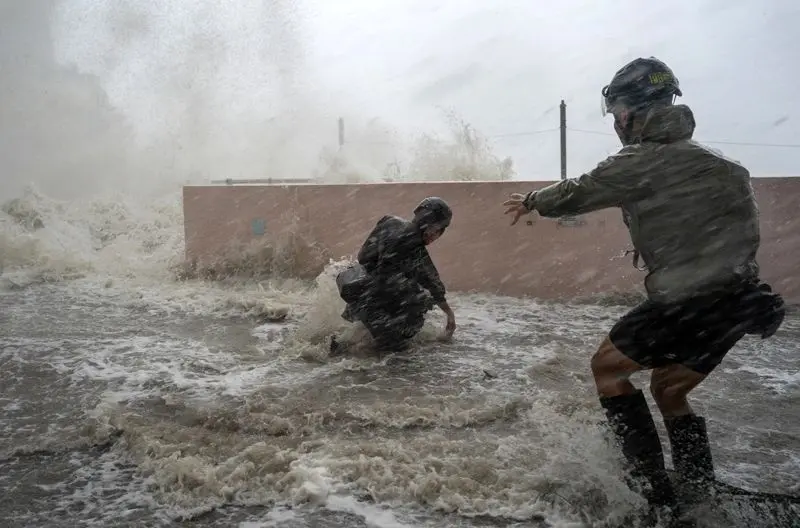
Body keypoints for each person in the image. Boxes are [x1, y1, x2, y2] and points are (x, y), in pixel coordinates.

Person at [503, 57, 786, 518]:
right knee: (671, 390)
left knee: (607, 369)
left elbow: (581, 190)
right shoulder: (727, 168)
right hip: (741, 301)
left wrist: (533, 200)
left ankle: (649, 488)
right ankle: (697, 485)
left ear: (634, 110)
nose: (614, 121)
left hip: (687, 300)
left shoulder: (639, 160)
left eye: (616, 111)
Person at [332, 196, 457, 354]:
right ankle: (363, 349)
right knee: (419, 304)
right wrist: (448, 314)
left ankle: (341, 345)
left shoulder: (390, 222)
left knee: (349, 335)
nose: (436, 235)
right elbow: (430, 281)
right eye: (439, 230)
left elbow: (363, 256)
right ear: (433, 228)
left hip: (358, 288)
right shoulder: (413, 245)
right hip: (371, 299)